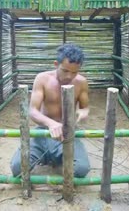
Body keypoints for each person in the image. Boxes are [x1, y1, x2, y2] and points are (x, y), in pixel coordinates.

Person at [10, 43, 91, 178]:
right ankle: (51, 158)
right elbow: (33, 111)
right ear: (55, 64)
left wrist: (83, 113)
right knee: (17, 168)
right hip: (43, 132)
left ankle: (56, 158)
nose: (69, 76)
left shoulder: (81, 82)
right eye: (65, 70)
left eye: (74, 72)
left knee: (81, 169)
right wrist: (51, 124)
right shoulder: (42, 79)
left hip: (68, 133)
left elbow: (85, 108)